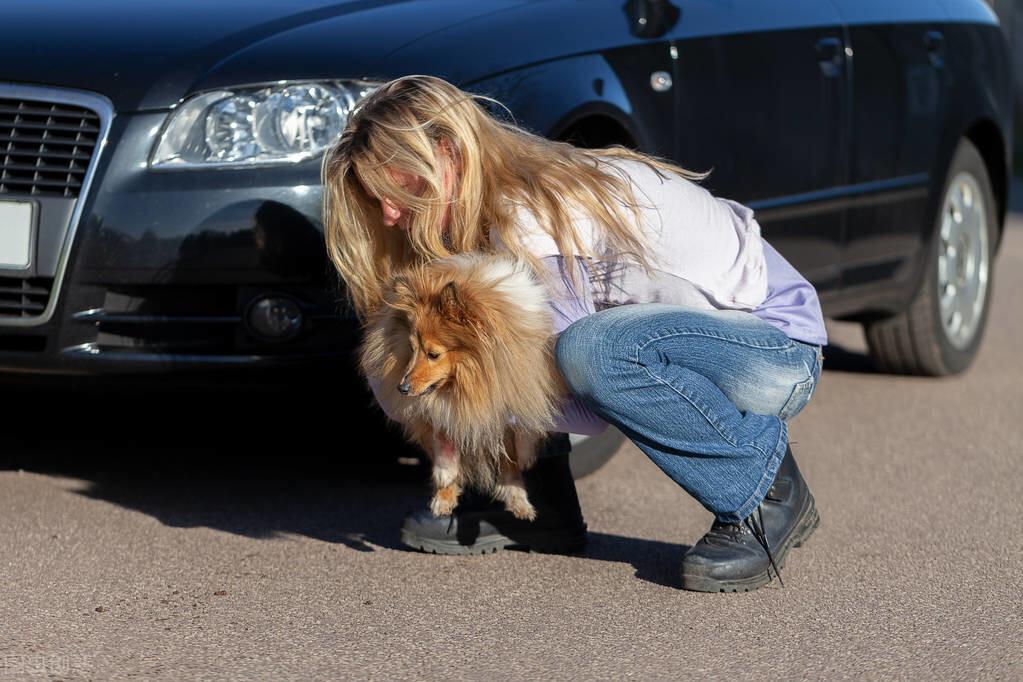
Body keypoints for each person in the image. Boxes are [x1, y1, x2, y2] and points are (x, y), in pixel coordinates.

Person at [321, 74, 827, 592]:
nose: (387, 213)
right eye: (374, 196)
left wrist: (435, 390)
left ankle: (764, 490)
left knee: (586, 352)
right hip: (728, 344)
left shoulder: (534, 220)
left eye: (398, 186)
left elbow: (574, 404)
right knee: (504, 344)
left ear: (447, 154)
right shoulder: (498, 204)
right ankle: (538, 501)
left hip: (777, 352)